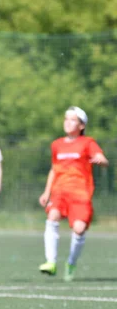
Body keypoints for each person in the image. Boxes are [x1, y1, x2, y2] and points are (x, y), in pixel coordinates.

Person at [38, 106, 108, 281]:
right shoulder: (57, 144)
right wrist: (46, 192)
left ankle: (71, 262)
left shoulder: (87, 143)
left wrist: (101, 161)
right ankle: (50, 262)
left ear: (82, 125)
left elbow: (102, 158)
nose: (67, 122)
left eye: (72, 119)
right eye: (65, 119)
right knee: (52, 216)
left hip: (80, 193)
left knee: (79, 229)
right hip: (59, 191)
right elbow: (53, 170)